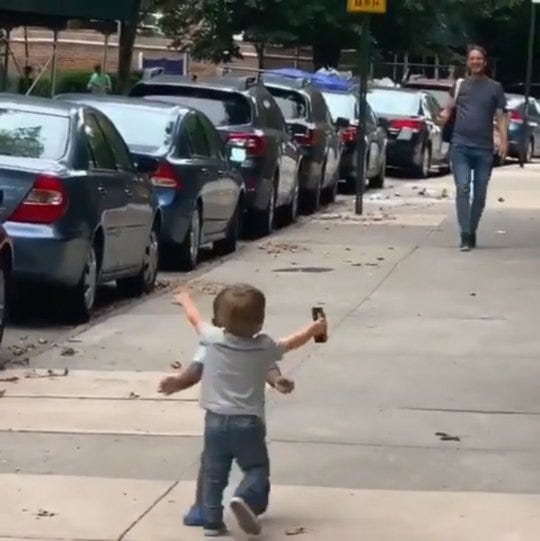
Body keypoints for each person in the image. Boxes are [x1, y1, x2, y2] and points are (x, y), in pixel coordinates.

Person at [160, 284, 327, 537]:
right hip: (247, 423)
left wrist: (185, 299)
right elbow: (293, 342)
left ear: (219, 321)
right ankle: (245, 498)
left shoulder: (211, 338)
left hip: (215, 421)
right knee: (256, 468)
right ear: (260, 322)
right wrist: (315, 328)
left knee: (214, 472)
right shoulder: (264, 345)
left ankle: (211, 522)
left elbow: (194, 319)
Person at [441, 45, 508, 251]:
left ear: (484, 62)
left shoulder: (495, 88)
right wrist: (442, 117)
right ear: (468, 62)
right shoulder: (460, 85)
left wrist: (504, 141)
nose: (476, 61)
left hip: (484, 149)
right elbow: (447, 109)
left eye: (479, 58)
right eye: (472, 58)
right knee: (463, 189)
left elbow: (501, 117)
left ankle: (472, 229)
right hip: (460, 146)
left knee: (479, 194)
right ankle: (465, 234)